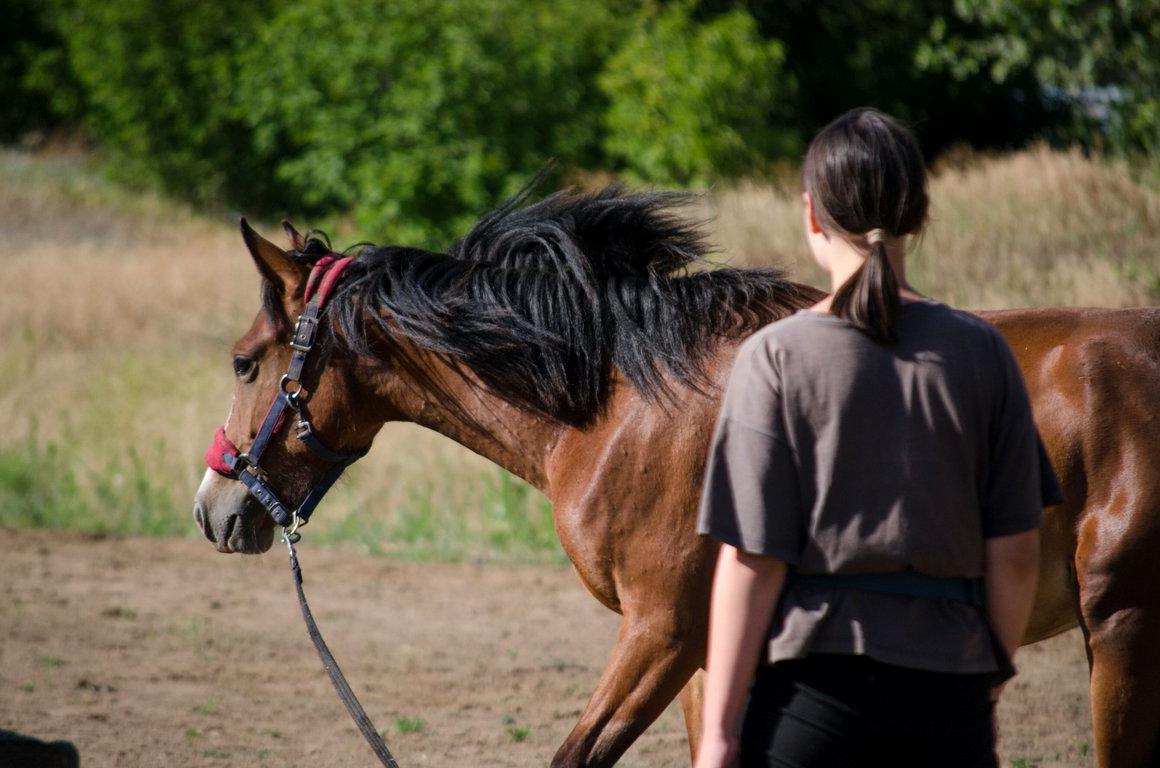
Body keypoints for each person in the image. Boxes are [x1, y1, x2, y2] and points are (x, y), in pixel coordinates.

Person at [693, 108, 1063, 768]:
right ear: (920, 215)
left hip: (809, 699)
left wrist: (718, 734)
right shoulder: (983, 352)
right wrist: (989, 675)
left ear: (812, 215)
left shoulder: (775, 357)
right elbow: (1017, 555)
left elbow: (751, 560)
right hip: (948, 698)